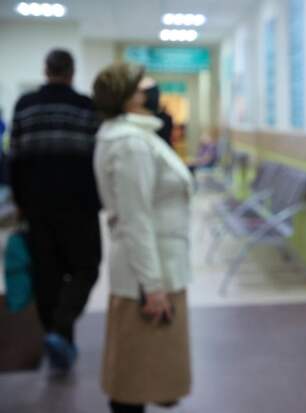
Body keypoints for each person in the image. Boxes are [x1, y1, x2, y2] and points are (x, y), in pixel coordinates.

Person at [92, 63, 192, 413]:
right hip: (147, 274)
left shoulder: (134, 137)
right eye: (141, 86)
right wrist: (152, 286)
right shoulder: (131, 144)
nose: (149, 91)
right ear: (128, 97)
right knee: (132, 381)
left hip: (156, 267)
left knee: (143, 373)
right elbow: (136, 219)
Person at [8, 49, 101, 371]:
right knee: (87, 268)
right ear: (72, 73)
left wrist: (20, 203)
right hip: (79, 208)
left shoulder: (25, 106)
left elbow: (14, 159)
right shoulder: (86, 107)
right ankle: (62, 331)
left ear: (45, 71)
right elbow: (97, 159)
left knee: (47, 276)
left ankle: (56, 337)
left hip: (37, 208)